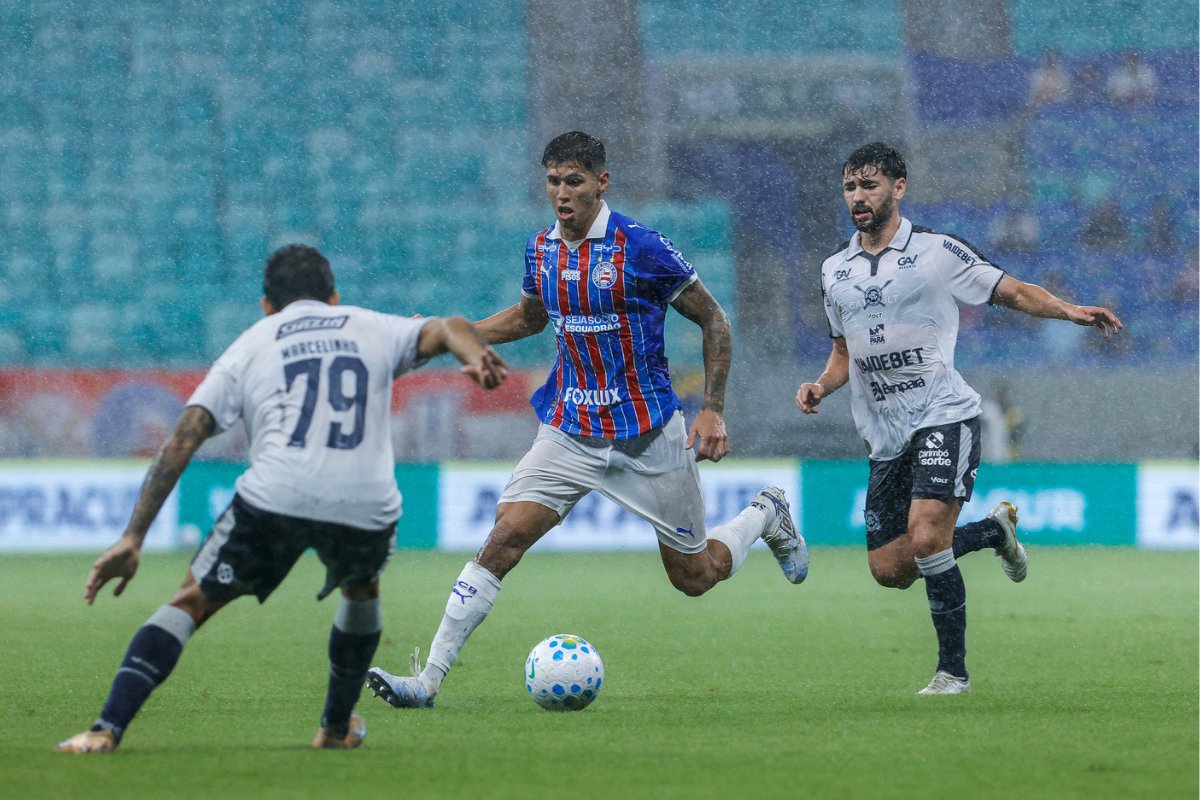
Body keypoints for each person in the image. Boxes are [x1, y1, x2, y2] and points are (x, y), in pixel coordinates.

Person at [366, 131, 808, 709]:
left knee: (695, 577)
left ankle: (765, 513)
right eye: (553, 181)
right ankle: (426, 683)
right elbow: (530, 317)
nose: (561, 193)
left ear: (602, 182)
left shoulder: (641, 247)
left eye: (573, 181)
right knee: (503, 538)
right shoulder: (541, 250)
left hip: (646, 435)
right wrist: (454, 334)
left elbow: (714, 319)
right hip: (570, 428)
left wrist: (712, 410)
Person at [56, 244, 509, 753]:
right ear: (333, 297)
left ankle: (105, 730)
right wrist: (474, 354)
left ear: (266, 305)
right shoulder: (371, 326)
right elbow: (449, 326)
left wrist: (132, 537)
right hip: (363, 501)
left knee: (190, 601)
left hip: (277, 495)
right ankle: (334, 728)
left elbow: (184, 437)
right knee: (361, 590)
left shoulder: (251, 344)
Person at [796, 143, 1122, 695]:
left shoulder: (936, 251)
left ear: (899, 188)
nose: (858, 197)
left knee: (927, 536)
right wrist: (821, 386)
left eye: (870, 185)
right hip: (886, 436)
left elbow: (1012, 290)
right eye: (850, 187)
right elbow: (843, 354)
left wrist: (1068, 311)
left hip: (944, 414)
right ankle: (994, 531)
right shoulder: (834, 270)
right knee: (889, 570)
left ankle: (953, 672)